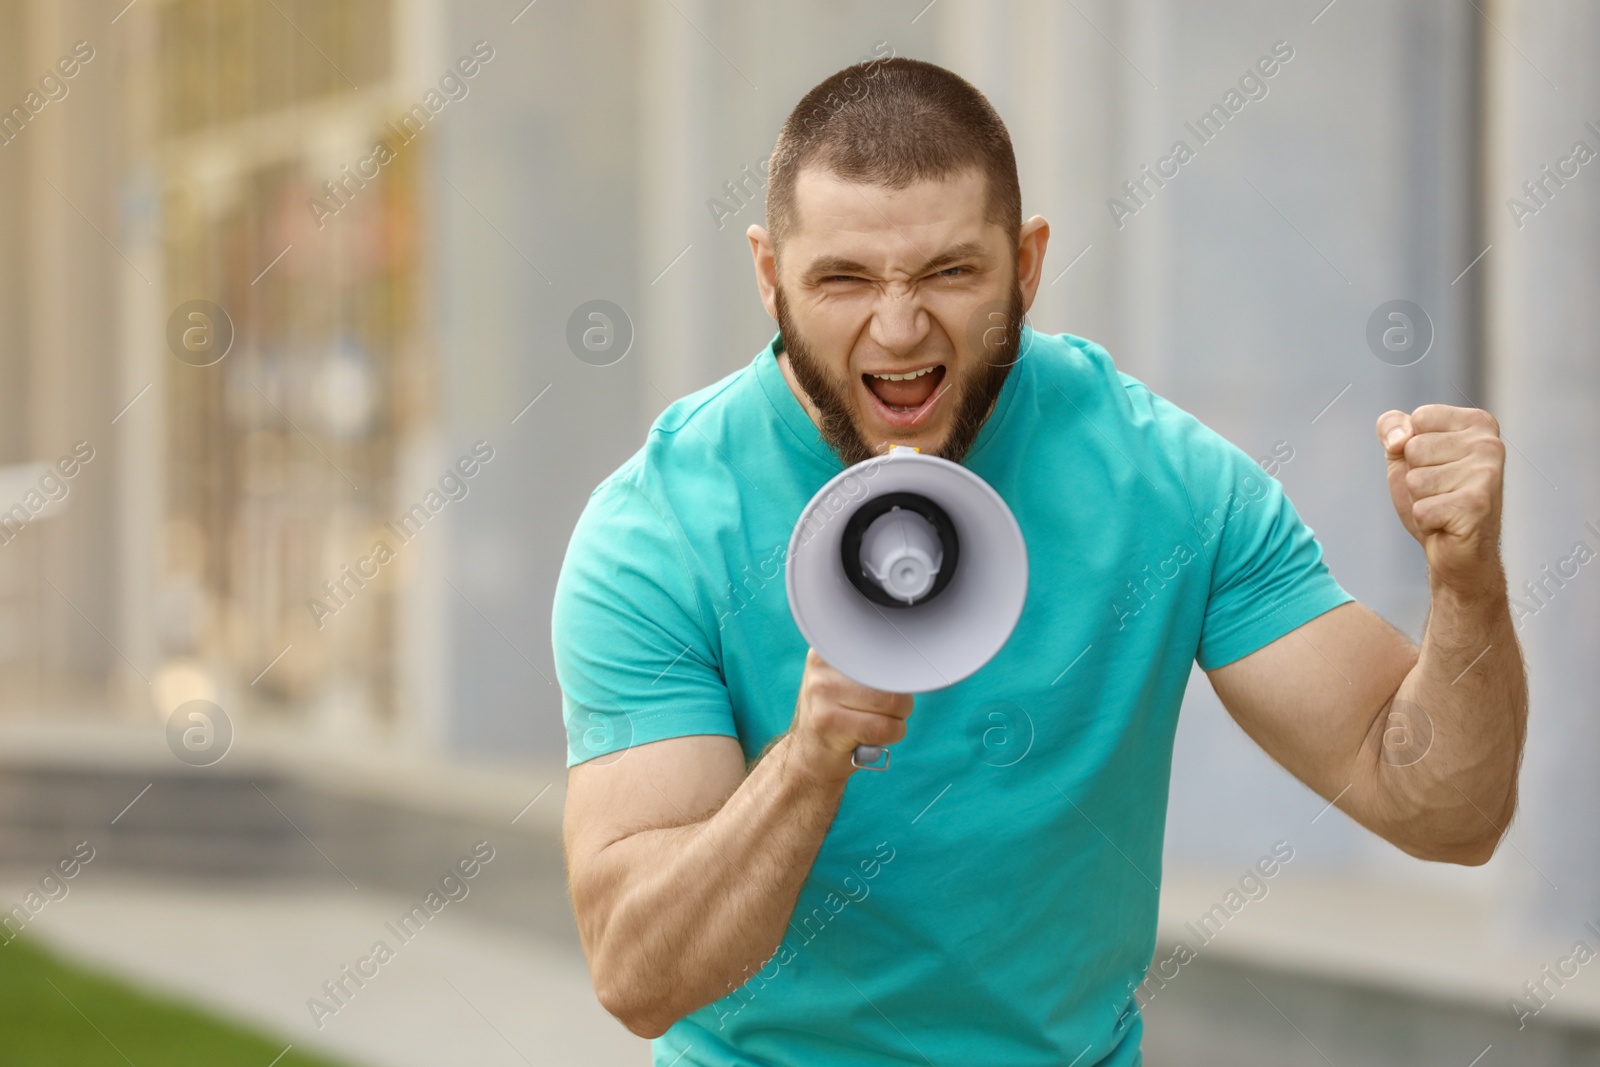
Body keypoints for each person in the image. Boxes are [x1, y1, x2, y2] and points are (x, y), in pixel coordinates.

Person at [551, 56, 1526, 1067]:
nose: (896, 329)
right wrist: (806, 761)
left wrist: (1466, 581)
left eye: (948, 272)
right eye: (842, 278)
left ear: (1025, 264)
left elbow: (1445, 812)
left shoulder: (1166, 479)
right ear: (768, 275)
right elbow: (638, 974)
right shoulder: (656, 529)